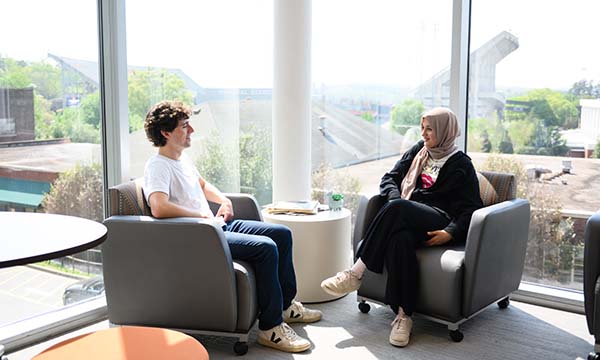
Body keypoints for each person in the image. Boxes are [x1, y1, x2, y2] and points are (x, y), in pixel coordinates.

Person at [142, 100, 322, 353]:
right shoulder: (157, 166)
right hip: (199, 236)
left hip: (214, 227)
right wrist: (201, 217)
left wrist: (223, 200)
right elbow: (158, 207)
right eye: (185, 126)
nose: (191, 130)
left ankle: (285, 305)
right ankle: (271, 328)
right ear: (166, 133)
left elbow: (203, 186)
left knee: (281, 233)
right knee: (266, 248)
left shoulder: (182, 160)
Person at [321, 107, 483, 347]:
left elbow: (471, 208)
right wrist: (397, 198)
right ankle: (404, 316)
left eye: (430, 129)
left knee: (398, 209)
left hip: (438, 219)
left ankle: (356, 273)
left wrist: (450, 232)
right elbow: (389, 178)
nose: (424, 134)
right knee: (400, 239)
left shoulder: (461, 164)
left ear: (444, 131)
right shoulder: (419, 151)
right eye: (423, 128)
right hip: (406, 216)